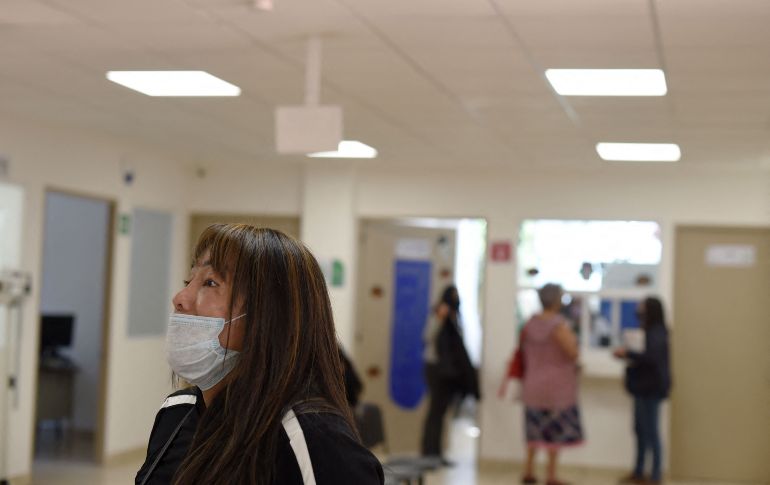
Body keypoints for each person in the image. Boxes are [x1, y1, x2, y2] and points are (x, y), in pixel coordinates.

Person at [135, 224, 384, 485]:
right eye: (189, 281)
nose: (180, 297)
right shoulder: (176, 413)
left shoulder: (312, 441)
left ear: (268, 316)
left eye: (210, 282)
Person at [520, 284, 583, 485]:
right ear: (556, 300)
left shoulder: (529, 324)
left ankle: (528, 470)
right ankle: (551, 475)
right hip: (556, 388)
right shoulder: (558, 326)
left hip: (532, 384)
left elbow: (522, 352)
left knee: (534, 431)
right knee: (554, 433)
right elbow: (572, 352)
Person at [614, 297, 671, 485]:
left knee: (651, 432)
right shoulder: (647, 331)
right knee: (639, 430)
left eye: (643, 307)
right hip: (641, 387)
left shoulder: (658, 333)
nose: (639, 310)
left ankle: (655, 475)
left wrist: (629, 354)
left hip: (651, 388)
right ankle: (639, 471)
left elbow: (651, 357)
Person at [420, 284, 479, 463]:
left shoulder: (456, 318)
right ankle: (429, 453)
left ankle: (437, 453)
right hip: (436, 368)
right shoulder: (438, 313)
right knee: (435, 412)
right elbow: (427, 337)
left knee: (442, 412)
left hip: (450, 372)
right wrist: (440, 318)